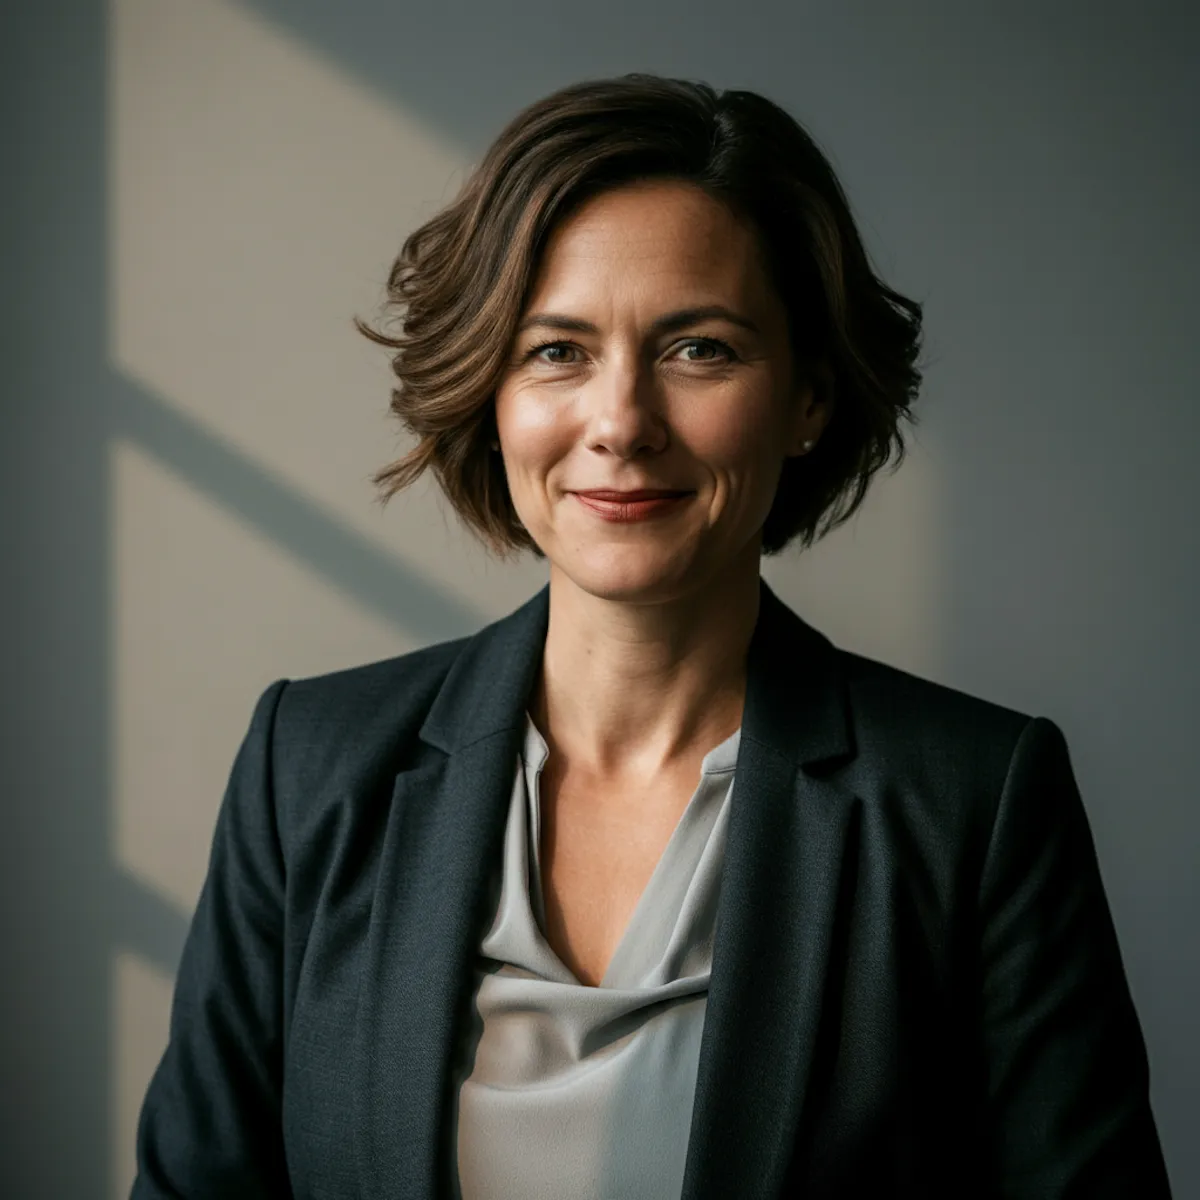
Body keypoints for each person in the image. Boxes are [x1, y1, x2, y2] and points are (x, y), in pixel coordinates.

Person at [131, 74, 1172, 1199]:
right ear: (491, 388)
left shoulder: (975, 803)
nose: (621, 421)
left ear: (809, 397)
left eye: (701, 350)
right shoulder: (310, 768)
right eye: (556, 351)